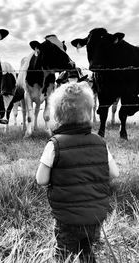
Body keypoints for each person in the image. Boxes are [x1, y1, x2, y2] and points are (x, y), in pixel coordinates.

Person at [35, 81, 119, 263]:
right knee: (87, 251)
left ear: (56, 116)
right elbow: (114, 173)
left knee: (63, 254)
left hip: (67, 220)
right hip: (95, 219)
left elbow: (41, 179)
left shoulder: (54, 144)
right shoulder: (100, 142)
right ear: (90, 113)